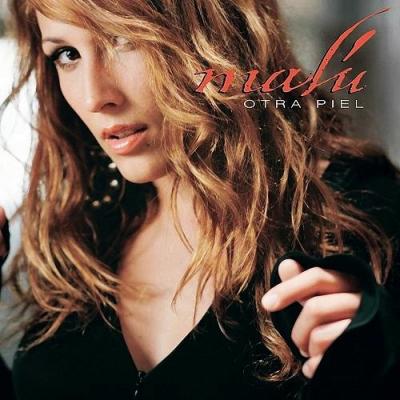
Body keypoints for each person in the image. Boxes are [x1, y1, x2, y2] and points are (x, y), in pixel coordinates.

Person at [0, 1, 399, 399]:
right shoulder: (83, 228)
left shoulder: (359, 211)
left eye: (124, 38)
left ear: (214, 29)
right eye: (67, 54)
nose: (94, 97)